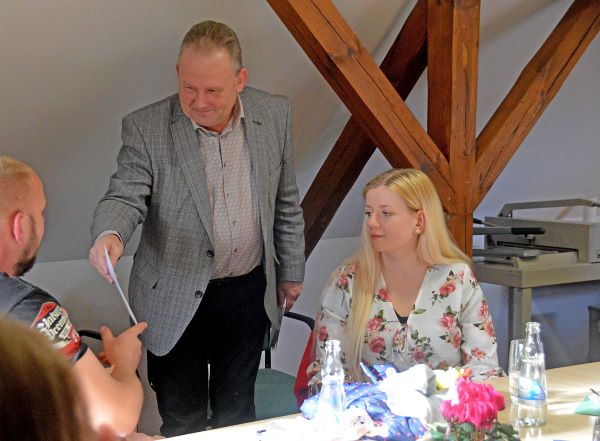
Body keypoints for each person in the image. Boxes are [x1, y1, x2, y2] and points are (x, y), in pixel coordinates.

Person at [88, 20, 305, 435]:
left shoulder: (275, 114)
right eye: (189, 87)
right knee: (182, 419)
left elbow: (285, 202)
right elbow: (124, 196)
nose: (199, 101)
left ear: (240, 80)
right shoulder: (147, 127)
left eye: (213, 91)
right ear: (177, 73)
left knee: (236, 414)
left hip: (246, 293)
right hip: (172, 294)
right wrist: (110, 234)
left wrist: (291, 271)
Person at [306, 168, 501, 394]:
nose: (372, 223)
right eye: (368, 213)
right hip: (367, 411)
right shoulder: (347, 281)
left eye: (385, 213)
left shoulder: (457, 279)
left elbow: (483, 367)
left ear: (419, 221)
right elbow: (328, 369)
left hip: (444, 411)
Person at [0, 156, 146, 437]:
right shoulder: (25, 309)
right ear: (20, 226)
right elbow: (115, 418)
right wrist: (124, 363)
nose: (44, 223)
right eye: (41, 212)